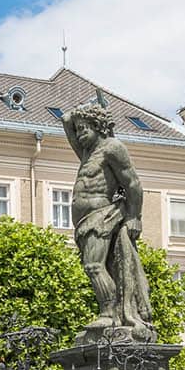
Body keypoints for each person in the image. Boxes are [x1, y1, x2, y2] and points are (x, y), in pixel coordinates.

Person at [63, 104, 153, 333]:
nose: (79, 134)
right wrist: (80, 114)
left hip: (102, 217)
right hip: (84, 221)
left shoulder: (112, 147)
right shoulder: (87, 153)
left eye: (84, 128)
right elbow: (66, 120)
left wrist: (134, 217)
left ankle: (110, 314)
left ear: (98, 126)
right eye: (78, 129)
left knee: (94, 266)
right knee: (96, 267)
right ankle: (110, 312)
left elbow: (132, 183)